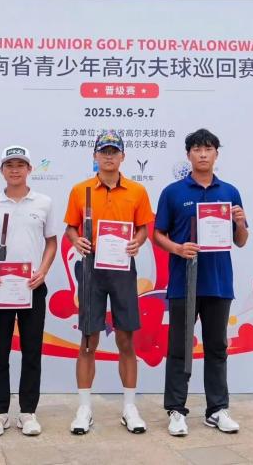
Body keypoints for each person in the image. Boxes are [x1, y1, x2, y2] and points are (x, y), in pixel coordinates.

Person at [153, 128, 249, 436]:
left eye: (208, 149)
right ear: (188, 155)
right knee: (179, 347)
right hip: (183, 283)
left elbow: (241, 240)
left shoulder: (230, 192)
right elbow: (158, 234)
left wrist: (239, 222)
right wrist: (178, 249)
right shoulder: (173, 192)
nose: (203, 154)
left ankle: (217, 409)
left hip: (218, 283)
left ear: (216, 154)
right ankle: (176, 410)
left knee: (217, 347)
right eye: (197, 149)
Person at [64, 130, 154, 434]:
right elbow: (70, 228)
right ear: (95, 156)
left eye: (114, 151)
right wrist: (76, 240)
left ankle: (129, 407)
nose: (109, 156)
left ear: (123, 156)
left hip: (122, 268)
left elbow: (143, 228)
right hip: (91, 269)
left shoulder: (137, 191)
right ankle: (84, 409)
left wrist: (137, 242)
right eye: (104, 151)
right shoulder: (80, 190)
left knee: (126, 339)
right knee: (88, 339)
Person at [0, 145, 58, 437]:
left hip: (32, 287)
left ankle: (28, 413)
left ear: (29, 169)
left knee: (32, 351)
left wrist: (43, 272)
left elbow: (52, 242)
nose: (15, 170)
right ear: (2, 170)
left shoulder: (44, 202)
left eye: (20, 165)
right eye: (9, 165)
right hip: (1, 288)